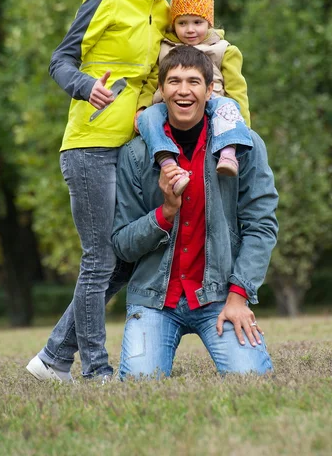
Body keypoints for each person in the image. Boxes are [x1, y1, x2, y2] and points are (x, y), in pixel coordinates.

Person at [26, 0, 195, 383]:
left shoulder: (167, 9)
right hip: (89, 143)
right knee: (100, 258)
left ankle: (54, 356)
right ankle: (95, 369)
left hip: (132, 149)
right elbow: (61, 59)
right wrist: (85, 86)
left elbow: (194, 44)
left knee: (122, 257)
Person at [112, 45, 279, 379]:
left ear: (210, 89)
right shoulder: (134, 154)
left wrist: (238, 296)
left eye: (193, 81)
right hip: (154, 299)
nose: (183, 90)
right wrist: (165, 213)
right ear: (161, 91)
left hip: (220, 296)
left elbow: (261, 227)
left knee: (250, 380)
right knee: (139, 385)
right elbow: (122, 244)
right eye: (174, 81)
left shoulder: (244, 147)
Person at [137, 0, 252, 196]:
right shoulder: (164, 49)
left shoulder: (223, 50)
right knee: (149, 117)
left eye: (197, 22)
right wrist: (142, 107)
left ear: (209, 22)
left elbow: (237, 89)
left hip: (214, 103)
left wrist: (243, 123)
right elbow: (152, 81)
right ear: (174, 24)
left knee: (227, 106)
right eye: (182, 23)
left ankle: (228, 152)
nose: (190, 30)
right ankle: (168, 162)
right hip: (170, 106)